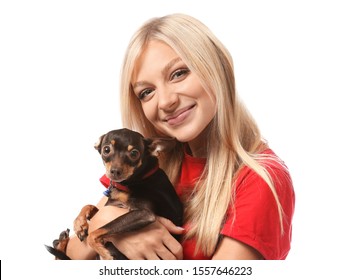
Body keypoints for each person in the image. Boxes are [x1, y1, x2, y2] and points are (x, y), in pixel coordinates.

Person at [65, 13, 295, 260]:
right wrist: (113, 223)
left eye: (179, 73)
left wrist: (109, 227)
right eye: (147, 92)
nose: (166, 101)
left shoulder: (260, 180)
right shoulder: (148, 164)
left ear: (219, 67)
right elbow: (70, 255)